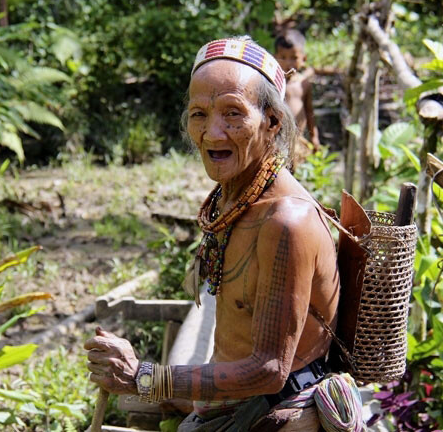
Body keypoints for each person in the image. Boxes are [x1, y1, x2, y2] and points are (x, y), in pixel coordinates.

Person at [85, 37, 352, 431]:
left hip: (274, 415)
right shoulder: (236, 197)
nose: (212, 133)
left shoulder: (285, 222)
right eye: (199, 114)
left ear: (272, 122)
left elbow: (268, 369)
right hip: (232, 408)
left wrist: (146, 377)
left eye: (233, 114)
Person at [273, 29, 319, 166]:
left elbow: (309, 112)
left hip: (297, 142)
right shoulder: (273, 84)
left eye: (294, 58)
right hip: (276, 141)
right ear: (275, 58)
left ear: (303, 59)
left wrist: (314, 136)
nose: (288, 63)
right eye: (283, 57)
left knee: (295, 175)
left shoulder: (304, 84)